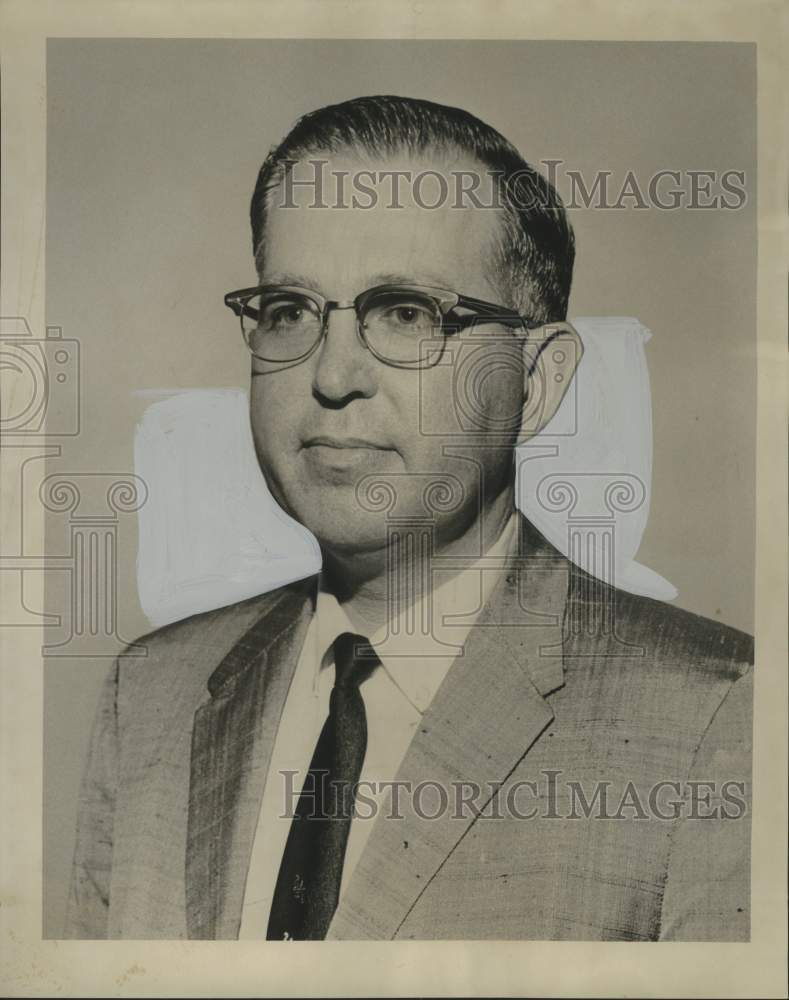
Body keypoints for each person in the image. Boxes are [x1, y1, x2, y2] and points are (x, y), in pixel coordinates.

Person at [65, 95, 753, 941]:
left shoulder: (716, 719)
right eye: (289, 311)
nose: (332, 375)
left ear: (537, 383)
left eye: (405, 313)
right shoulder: (151, 696)